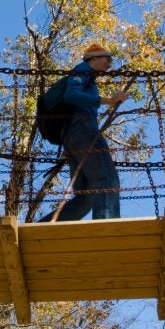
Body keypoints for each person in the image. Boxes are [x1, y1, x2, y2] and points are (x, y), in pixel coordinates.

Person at [40, 44, 129, 222]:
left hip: (71, 136)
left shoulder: (89, 78)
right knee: (106, 179)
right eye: (107, 58)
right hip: (82, 128)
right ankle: (108, 232)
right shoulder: (83, 69)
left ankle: (44, 229)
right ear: (93, 58)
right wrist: (109, 100)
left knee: (86, 196)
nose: (109, 64)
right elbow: (71, 95)